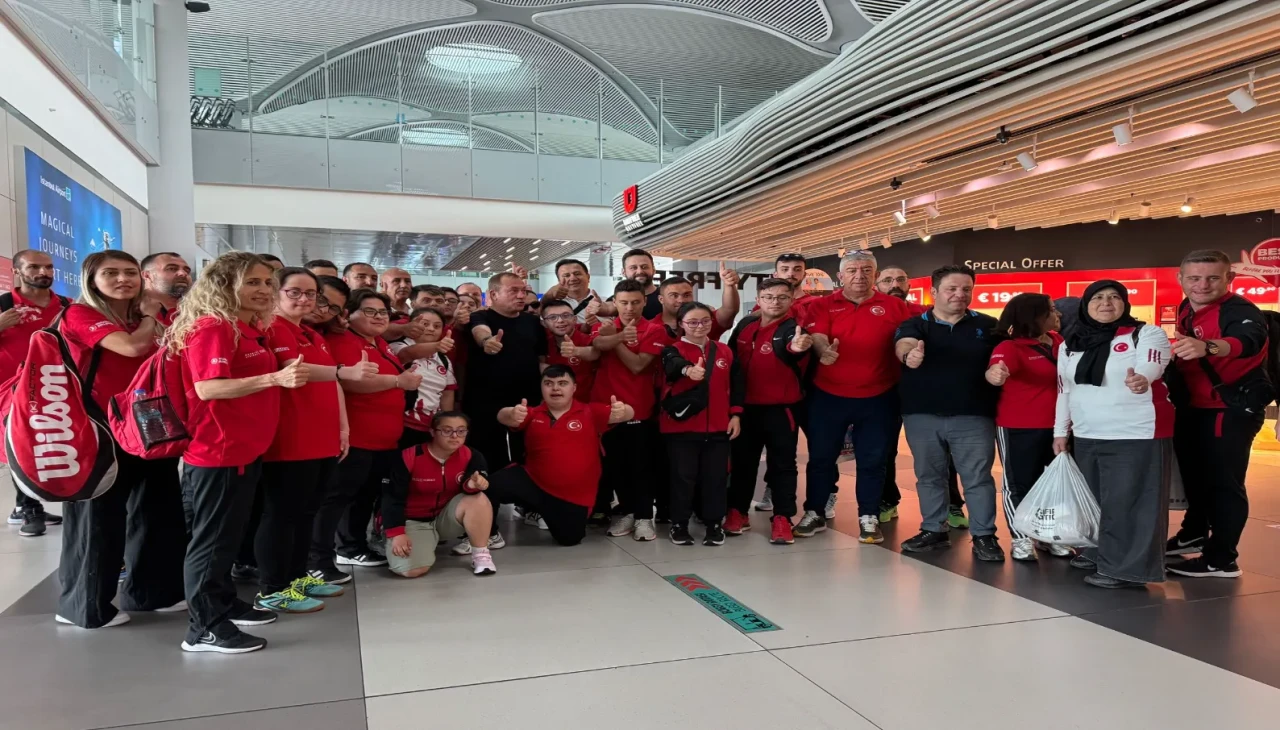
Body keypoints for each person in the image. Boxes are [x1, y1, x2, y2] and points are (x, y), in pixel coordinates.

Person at [167, 252, 304, 653]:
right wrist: (274, 378)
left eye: (268, 282)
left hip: (243, 450)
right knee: (212, 543)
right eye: (252, 282)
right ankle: (204, 628)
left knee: (226, 538)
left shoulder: (244, 326)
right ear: (225, 284)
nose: (264, 289)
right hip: (219, 451)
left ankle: (223, 603)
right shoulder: (214, 326)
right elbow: (209, 387)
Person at [55, 251, 186, 629]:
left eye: (129, 272)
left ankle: (153, 592)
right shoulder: (80, 314)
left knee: (158, 511)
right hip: (100, 428)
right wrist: (149, 316)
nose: (122, 279)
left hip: (150, 424)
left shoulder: (148, 316)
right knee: (98, 518)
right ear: (91, 279)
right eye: (110, 273)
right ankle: (83, 606)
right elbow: (131, 347)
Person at [254, 267, 378, 614]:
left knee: (306, 512)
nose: (305, 299)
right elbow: (294, 368)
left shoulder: (311, 333)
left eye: (311, 294)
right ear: (276, 292)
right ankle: (273, 588)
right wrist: (342, 371)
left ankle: (298, 577)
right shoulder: (273, 328)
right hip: (290, 437)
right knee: (282, 514)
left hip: (321, 437)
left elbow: (332, 383)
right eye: (295, 292)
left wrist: (343, 428)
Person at [1054, 281, 1174, 588]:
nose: (1106, 302)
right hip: (1088, 433)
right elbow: (1065, 390)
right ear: (1086, 305)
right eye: (1097, 297)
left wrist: (1142, 379)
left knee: (1130, 502)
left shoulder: (1145, 333)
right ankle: (1097, 552)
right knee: (1093, 500)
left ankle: (1127, 569)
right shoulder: (1071, 344)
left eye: (1114, 297)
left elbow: (1152, 363)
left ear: (1125, 303)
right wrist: (1060, 431)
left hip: (1136, 433)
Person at [1167, 250, 1271, 579]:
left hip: (1228, 409)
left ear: (1229, 279)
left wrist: (1209, 346)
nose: (1202, 285)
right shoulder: (1187, 308)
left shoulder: (1240, 310)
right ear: (1181, 279)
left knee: (1224, 483)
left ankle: (1222, 559)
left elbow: (1247, 341)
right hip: (1194, 408)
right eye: (1194, 278)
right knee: (1195, 478)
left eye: (1213, 278)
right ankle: (1194, 533)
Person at [894, 264, 1005, 561]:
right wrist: (909, 355)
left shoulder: (989, 325)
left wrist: (997, 371)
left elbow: (1002, 357)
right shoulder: (915, 325)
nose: (960, 294)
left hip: (974, 415)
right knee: (929, 475)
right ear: (934, 292)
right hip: (922, 415)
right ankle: (934, 529)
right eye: (952, 289)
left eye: (966, 289)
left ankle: (984, 536)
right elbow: (903, 344)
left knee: (977, 477)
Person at [310, 290, 422, 579]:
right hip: (356, 439)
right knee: (337, 500)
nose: (379, 317)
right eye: (370, 311)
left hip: (383, 440)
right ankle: (319, 560)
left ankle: (352, 547)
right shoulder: (342, 341)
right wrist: (398, 381)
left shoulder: (379, 342)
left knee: (363, 497)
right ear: (349, 314)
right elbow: (352, 382)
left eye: (383, 312)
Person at [802, 252, 909, 543]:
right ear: (840, 276)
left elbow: (907, 337)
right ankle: (814, 512)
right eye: (852, 270)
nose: (859, 275)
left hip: (880, 396)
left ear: (876, 275)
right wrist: (822, 351)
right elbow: (818, 335)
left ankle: (869, 516)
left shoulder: (896, 307)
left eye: (866, 270)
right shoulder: (822, 305)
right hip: (828, 395)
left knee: (873, 460)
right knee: (821, 458)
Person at [488, 366, 632, 545]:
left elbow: (629, 412)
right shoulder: (532, 413)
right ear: (541, 387)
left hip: (571, 497)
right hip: (533, 482)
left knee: (570, 539)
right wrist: (510, 413)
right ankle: (489, 535)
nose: (555, 388)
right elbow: (502, 416)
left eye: (562, 383)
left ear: (574, 388)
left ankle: (540, 512)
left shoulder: (590, 412)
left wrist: (623, 410)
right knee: (488, 486)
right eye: (549, 383)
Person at [874, 265, 967, 526]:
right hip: (884, 391)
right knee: (884, 450)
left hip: (924, 393)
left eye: (900, 279)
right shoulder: (872, 313)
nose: (895, 284)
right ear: (877, 286)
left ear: (909, 285)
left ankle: (952, 504)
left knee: (942, 451)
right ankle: (887, 500)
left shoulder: (926, 313)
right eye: (887, 280)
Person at [726, 278, 811, 545]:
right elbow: (730, 360)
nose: (775, 302)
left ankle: (783, 517)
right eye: (769, 297)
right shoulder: (745, 325)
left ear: (791, 300)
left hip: (781, 409)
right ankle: (738, 511)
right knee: (742, 463)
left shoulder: (794, 329)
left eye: (782, 297)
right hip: (745, 410)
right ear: (758, 299)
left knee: (782, 464)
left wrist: (797, 347)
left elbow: (793, 346)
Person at [985, 293, 1067, 562]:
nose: (1057, 314)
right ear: (1034, 316)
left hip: (1058, 428)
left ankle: (1048, 535)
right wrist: (995, 374)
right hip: (1019, 427)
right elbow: (995, 370)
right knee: (1019, 484)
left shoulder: (1059, 342)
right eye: (1051, 310)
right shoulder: (1010, 347)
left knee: (1054, 484)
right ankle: (1021, 537)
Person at [589, 280, 668, 540]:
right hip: (604, 409)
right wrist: (616, 335)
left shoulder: (654, 329)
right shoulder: (605, 326)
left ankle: (645, 517)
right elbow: (597, 345)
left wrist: (616, 339)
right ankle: (630, 512)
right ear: (615, 303)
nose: (629, 308)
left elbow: (637, 365)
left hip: (639, 410)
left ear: (645, 301)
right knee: (615, 467)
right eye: (623, 302)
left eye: (635, 302)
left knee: (640, 467)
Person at [660, 302, 743, 546]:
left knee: (715, 478)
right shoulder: (671, 350)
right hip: (681, 429)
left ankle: (714, 524)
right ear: (681, 324)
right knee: (682, 478)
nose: (699, 326)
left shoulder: (724, 351)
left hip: (718, 428)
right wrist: (688, 370)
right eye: (693, 322)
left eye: (705, 321)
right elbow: (673, 364)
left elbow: (737, 385)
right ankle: (679, 524)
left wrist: (736, 415)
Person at [1, 250, 68, 536]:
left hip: (53, 386)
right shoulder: (4, 305)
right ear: (17, 271)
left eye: (49, 267)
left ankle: (25, 505)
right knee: (21, 444)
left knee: (50, 445)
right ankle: (28, 508)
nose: (44, 272)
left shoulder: (66, 305)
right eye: (34, 267)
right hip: (10, 390)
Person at [385, 412, 497, 577]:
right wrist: (397, 533)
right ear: (433, 432)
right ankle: (393, 540)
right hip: (413, 521)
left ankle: (481, 556)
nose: (455, 436)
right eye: (447, 430)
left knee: (478, 499)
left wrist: (473, 485)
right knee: (410, 571)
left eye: (461, 431)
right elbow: (391, 497)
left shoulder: (472, 455)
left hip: (445, 518)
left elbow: (470, 484)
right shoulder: (409, 456)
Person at [463, 272, 547, 470]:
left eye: (523, 291)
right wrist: (487, 341)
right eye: (514, 291)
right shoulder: (479, 316)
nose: (521, 296)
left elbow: (542, 360)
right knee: (487, 458)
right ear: (493, 294)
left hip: (528, 401)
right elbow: (479, 330)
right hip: (486, 404)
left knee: (527, 455)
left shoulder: (533, 322)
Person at [390, 308, 458, 448]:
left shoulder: (444, 359)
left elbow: (447, 393)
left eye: (437, 326)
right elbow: (408, 354)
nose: (431, 329)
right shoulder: (397, 345)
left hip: (431, 427)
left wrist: (446, 423)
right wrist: (436, 346)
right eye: (425, 324)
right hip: (402, 423)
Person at [539, 299, 600, 400]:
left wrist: (576, 351)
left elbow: (595, 352)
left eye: (566, 315)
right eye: (552, 317)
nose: (560, 320)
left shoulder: (588, 340)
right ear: (544, 323)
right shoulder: (543, 343)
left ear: (574, 319)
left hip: (586, 404)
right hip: (553, 404)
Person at [602, 249, 662, 319]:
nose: (639, 271)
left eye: (644, 267)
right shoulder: (615, 299)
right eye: (633, 268)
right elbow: (607, 310)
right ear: (624, 272)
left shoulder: (666, 297)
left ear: (653, 270)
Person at [542, 259, 602, 324]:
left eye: (577, 274)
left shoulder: (604, 302)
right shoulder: (552, 304)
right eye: (566, 275)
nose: (573, 278)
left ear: (588, 277)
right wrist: (548, 296)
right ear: (559, 280)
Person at [140, 251, 192, 326]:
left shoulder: (196, 310)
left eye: (187, 271)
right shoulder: (130, 309)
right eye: (172, 268)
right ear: (147, 275)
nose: (183, 273)